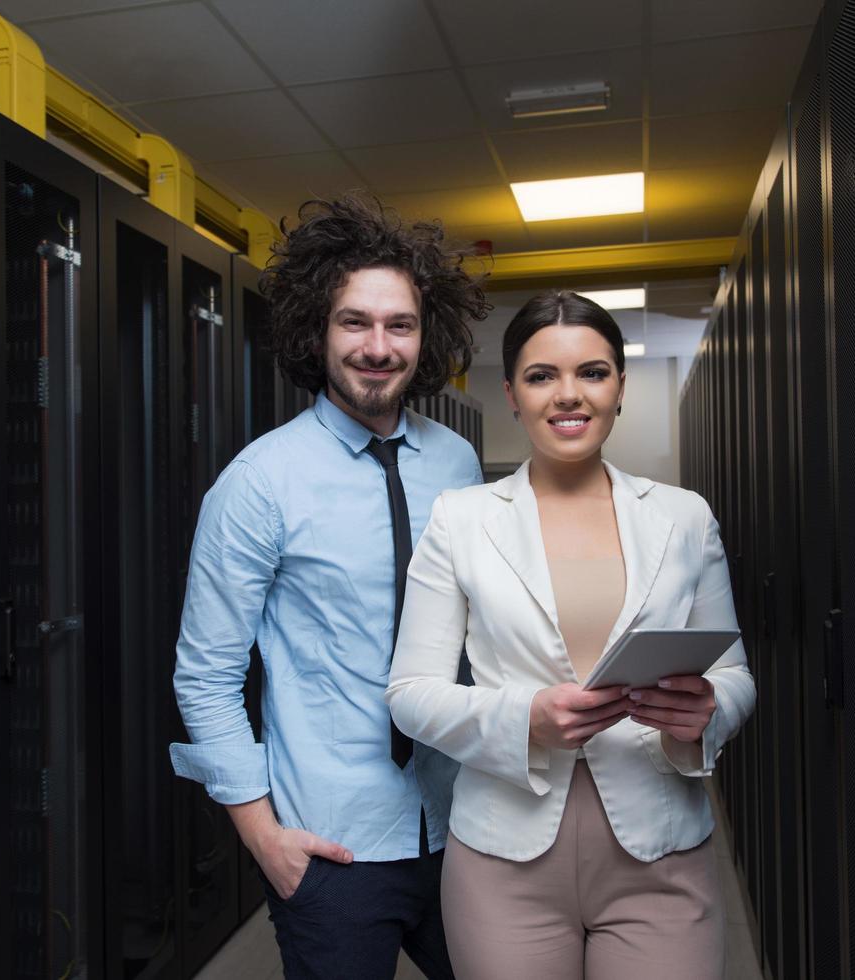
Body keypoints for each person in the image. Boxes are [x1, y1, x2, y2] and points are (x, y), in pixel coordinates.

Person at [386, 291, 755, 980]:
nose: (567, 396)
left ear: (619, 386)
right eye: (540, 376)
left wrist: (704, 714)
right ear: (511, 394)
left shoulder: (682, 517)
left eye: (591, 372)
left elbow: (733, 675)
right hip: (503, 860)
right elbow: (410, 693)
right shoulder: (460, 520)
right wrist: (523, 719)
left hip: (661, 854)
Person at [169, 193, 489, 979]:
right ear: (317, 329)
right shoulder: (257, 484)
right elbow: (205, 676)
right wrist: (261, 836)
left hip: (467, 827)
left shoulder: (456, 461)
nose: (377, 347)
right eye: (355, 322)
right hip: (332, 846)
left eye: (399, 325)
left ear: (426, 337)